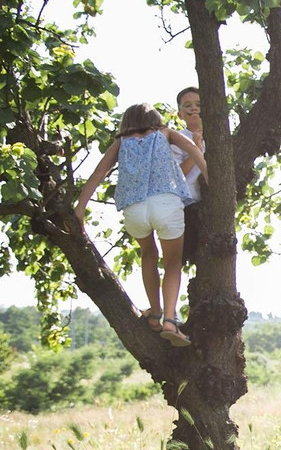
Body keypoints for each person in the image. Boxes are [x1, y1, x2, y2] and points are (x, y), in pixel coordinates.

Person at [75, 103, 208, 346]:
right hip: (166, 202)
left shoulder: (121, 142)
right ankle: (170, 320)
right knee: (172, 263)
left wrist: (80, 208)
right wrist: (211, 180)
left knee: (148, 254)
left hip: (134, 208)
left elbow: (98, 173)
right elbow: (194, 152)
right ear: (156, 121)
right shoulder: (165, 133)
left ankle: (155, 313)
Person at [171, 87, 205, 267]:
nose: (194, 109)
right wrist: (195, 152)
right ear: (180, 114)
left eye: (199, 105)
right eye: (188, 105)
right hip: (188, 204)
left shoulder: (219, 137)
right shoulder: (178, 138)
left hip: (208, 202)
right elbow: (176, 174)